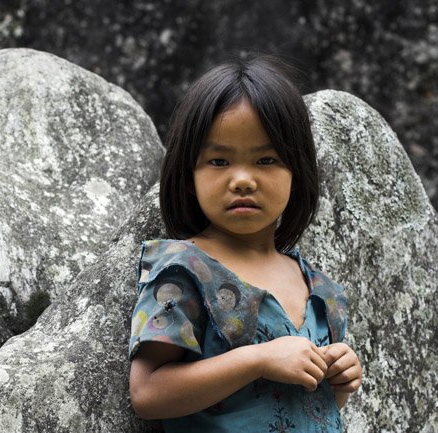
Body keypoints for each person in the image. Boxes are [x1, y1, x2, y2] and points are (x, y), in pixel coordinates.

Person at [128, 55, 362, 432]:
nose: (242, 180)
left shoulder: (321, 292)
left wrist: (340, 380)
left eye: (266, 159)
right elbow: (148, 393)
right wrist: (259, 359)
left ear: (296, 173)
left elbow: (297, 408)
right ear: (189, 176)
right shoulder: (183, 270)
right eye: (219, 161)